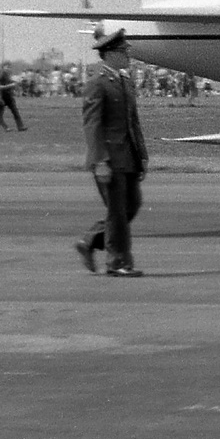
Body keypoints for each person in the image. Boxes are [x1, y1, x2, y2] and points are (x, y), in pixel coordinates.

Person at [74, 30, 148, 276]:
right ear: (110, 54)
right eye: (124, 51)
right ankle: (118, 263)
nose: (128, 55)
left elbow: (132, 121)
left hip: (128, 156)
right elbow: (92, 124)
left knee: (132, 206)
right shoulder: (97, 83)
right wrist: (100, 161)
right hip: (109, 158)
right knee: (117, 212)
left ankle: (90, 241)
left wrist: (142, 155)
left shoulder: (124, 80)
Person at [0, 61, 26, 131]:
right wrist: (12, 84)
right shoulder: (0, 74)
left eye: (10, 67)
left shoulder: (7, 74)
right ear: (3, 67)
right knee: (0, 113)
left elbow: (9, 81)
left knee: (15, 111)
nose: (9, 68)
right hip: (2, 96)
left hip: (9, 96)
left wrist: (15, 82)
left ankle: (20, 127)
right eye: (7, 66)